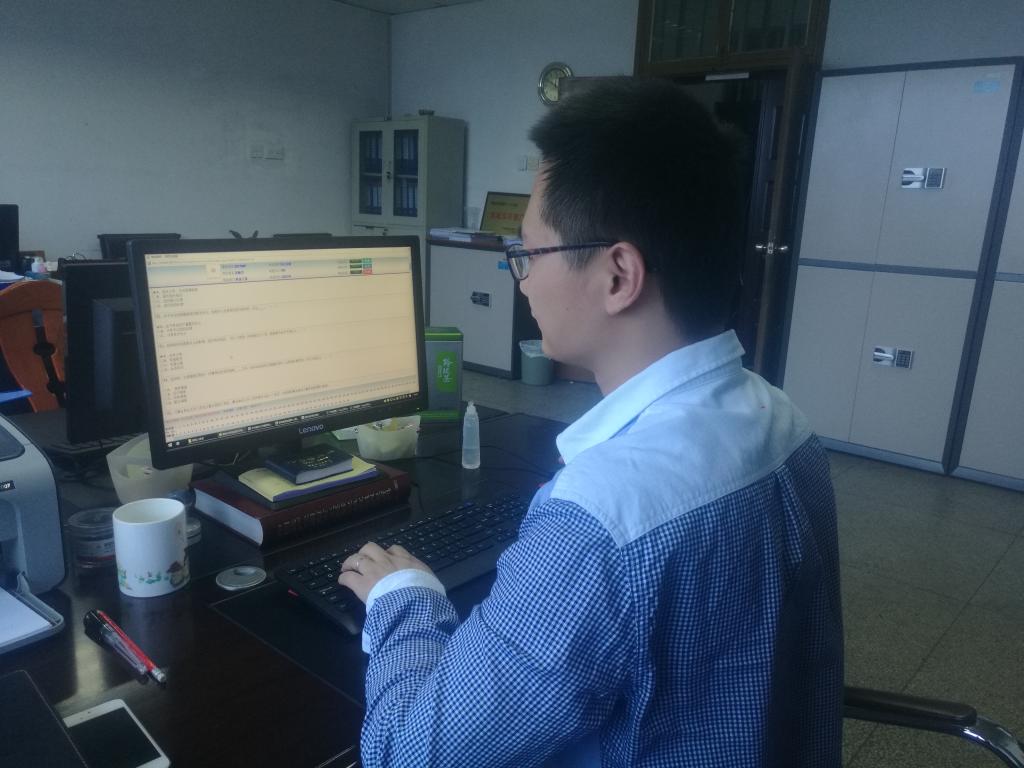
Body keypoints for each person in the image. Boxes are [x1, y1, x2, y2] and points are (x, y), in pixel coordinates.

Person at [339, 77, 843, 767]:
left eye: (527, 253)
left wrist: (406, 600)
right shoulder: (784, 422)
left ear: (617, 276)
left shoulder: (602, 522)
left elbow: (406, 752)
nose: (521, 279)